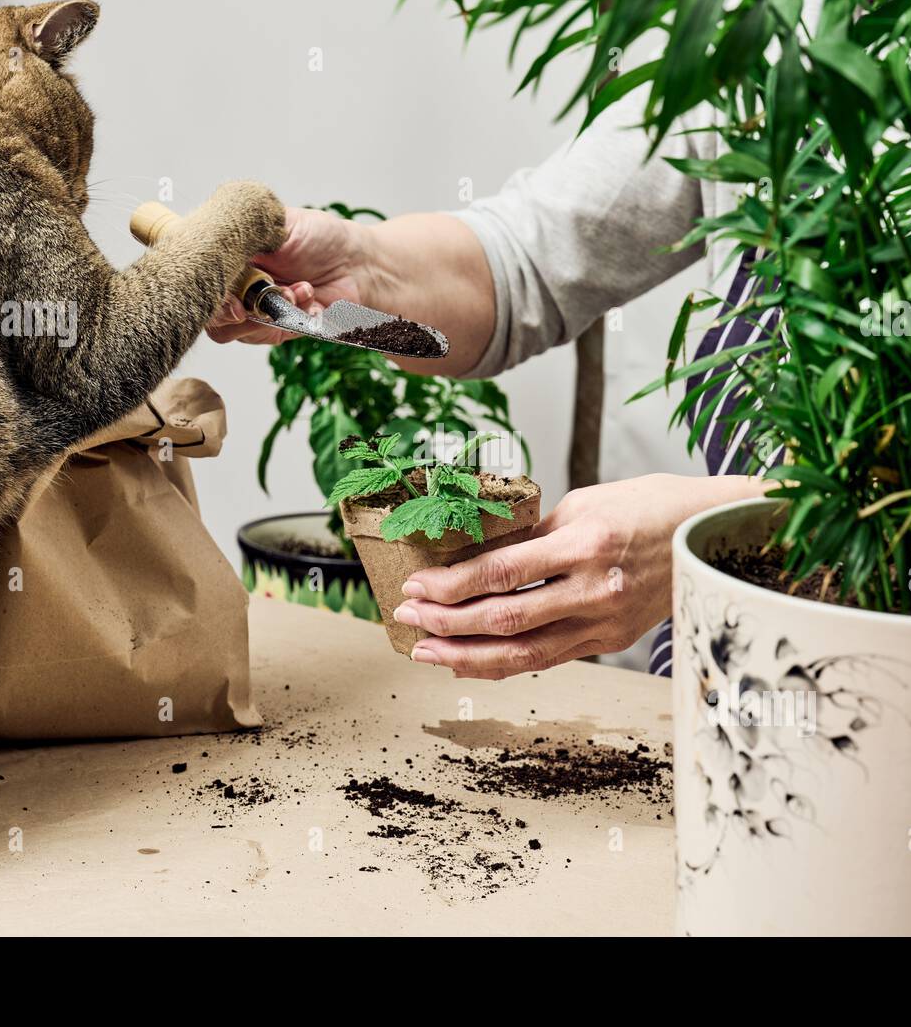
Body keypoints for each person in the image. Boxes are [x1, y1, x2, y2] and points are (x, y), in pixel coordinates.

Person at [211, 97, 774, 680]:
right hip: (714, 686)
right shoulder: (754, 37)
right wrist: (362, 271)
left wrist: (729, 524)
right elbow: (525, 260)